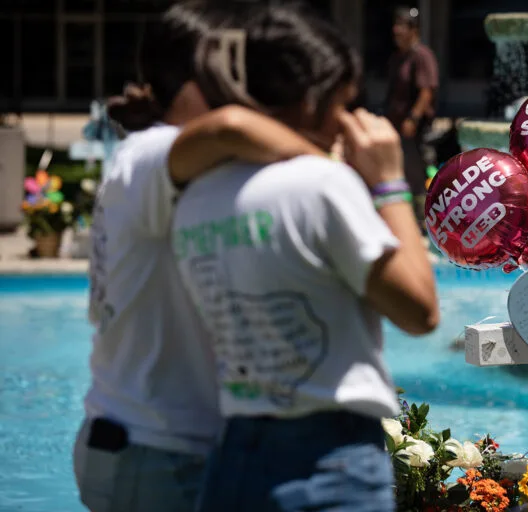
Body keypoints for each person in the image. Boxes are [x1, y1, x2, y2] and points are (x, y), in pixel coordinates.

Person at [170, 4, 439, 510]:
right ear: (316, 96)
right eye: (341, 102)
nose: (343, 122)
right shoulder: (320, 186)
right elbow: (420, 310)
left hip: (232, 456)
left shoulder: (195, 195)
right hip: (328, 459)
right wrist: (388, 182)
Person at [73, 2, 323, 511]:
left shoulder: (160, 160)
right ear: (198, 77)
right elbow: (229, 127)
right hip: (154, 451)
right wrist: (337, 170)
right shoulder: (151, 153)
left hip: (147, 444)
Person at [384, 6, 439, 231]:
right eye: (395, 25)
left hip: (416, 129)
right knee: (405, 175)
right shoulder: (398, 58)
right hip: (397, 127)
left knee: (424, 174)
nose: (396, 30)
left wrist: (413, 118)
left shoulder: (421, 56)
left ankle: (432, 221)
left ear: (413, 30)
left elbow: (427, 90)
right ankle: (413, 223)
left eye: (401, 26)